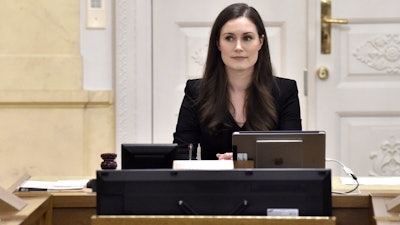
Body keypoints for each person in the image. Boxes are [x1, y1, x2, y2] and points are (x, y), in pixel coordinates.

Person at [173, 3, 302, 160]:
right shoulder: (196, 91)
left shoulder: (285, 90)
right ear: (218, 43)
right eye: (229, 38)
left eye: (247, 38)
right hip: (212, 183)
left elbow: (292, 156)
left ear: (260, 42)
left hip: (266, 184)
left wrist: (243, 161)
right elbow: (182, 153)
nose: (238, 47)